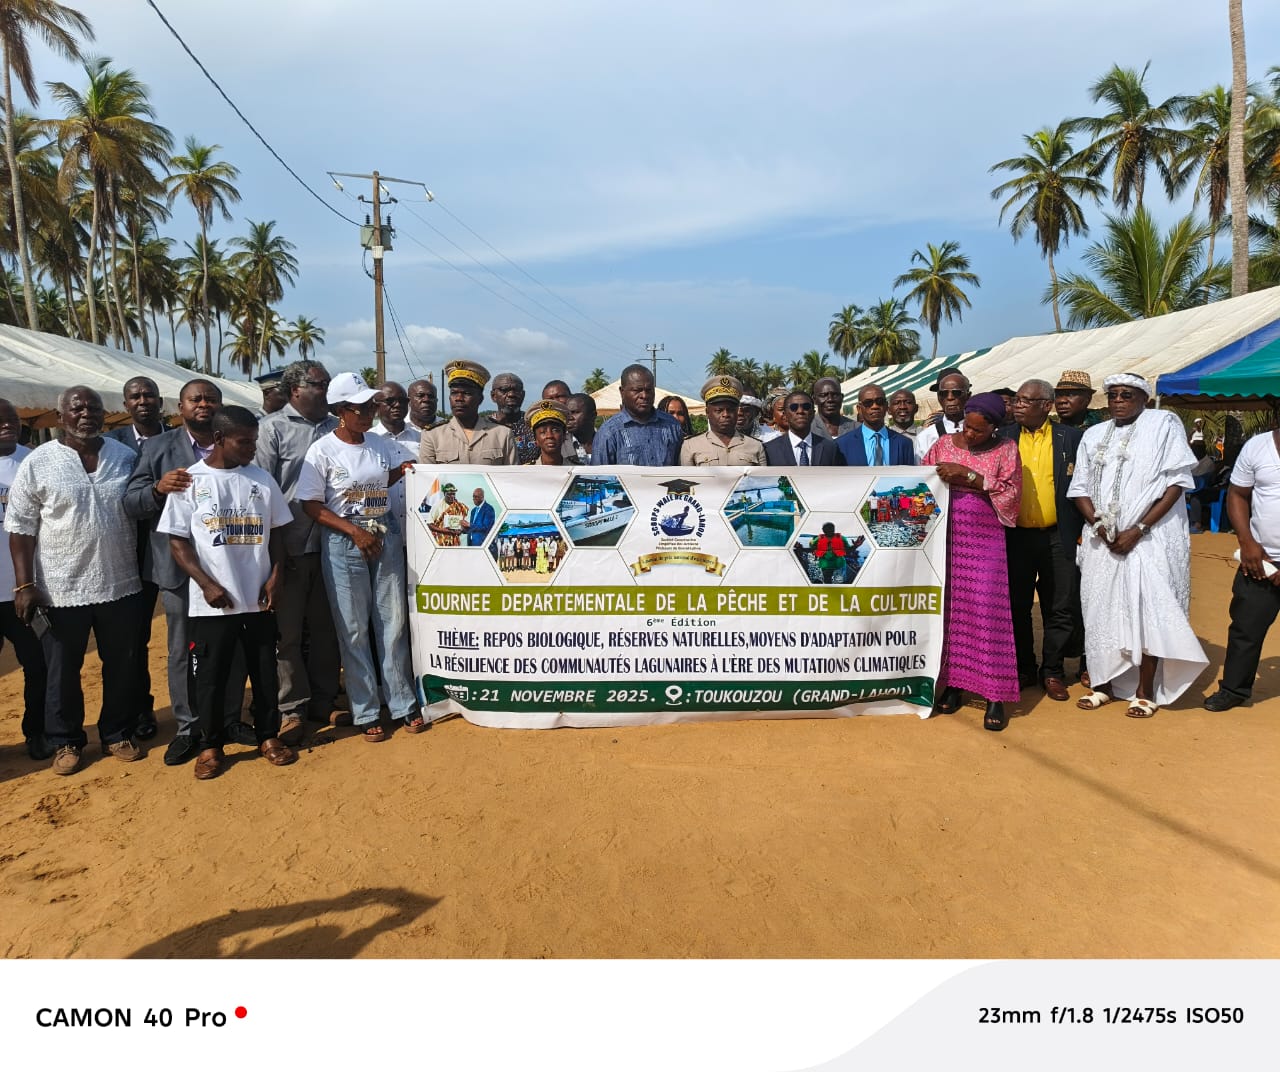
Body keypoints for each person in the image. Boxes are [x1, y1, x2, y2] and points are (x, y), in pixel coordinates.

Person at [4, 386, 145, 775]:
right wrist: (24, 584)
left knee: (122, 665)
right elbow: (20, 527)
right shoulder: (39, 461)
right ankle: (65, 740)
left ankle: (117, 732)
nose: (86, 414)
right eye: (77, 408)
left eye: (94, 408)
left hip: (121, 583)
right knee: (62, 671)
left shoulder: (124, 457)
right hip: (60, 588)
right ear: (60, 416)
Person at [157, 406, 298, 779]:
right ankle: (211, 745)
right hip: (213, 604)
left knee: (264, 672)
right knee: (210, 678)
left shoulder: (262, 480)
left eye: (254, 441)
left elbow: (278, 533)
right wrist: (206, 584)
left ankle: (268, 735)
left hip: (258, 601)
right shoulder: (191, 481)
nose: (252, 448)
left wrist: (276, 577)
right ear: (219, 439)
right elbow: (177, 542)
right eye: (244, 441)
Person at [124, 379, 252, 766]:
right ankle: (189, 727)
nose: (203, 404)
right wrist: (158, 489)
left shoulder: (236, 446)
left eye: (211, 399)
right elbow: (131, 503)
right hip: (178, 570)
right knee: (183, 651)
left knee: (232, 647)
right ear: (179, 407)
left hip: (231, 567)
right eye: (195, 399)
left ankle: (229, 719)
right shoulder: (157, 448)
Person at [1067, 373, 1207, 717]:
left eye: (1126, 395)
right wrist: (1099, 525)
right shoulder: (1094, 434)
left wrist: (1139, 528)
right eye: (1112, 395)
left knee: (1148, 610)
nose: (1118, 400)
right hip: (1103, 542)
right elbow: (1079, 487)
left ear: (1143, 399)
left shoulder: (1163, 424)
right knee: (1100, 610)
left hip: (1151, 539)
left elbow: (1176, 483)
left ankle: (1145, 691)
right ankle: (1103, 684)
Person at [296, 372, 425, 742]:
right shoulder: (322, 450)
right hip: (344, 539)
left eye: (371, 406)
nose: (370, 413)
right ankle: (366, 710)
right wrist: (354, 532)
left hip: (384, 531)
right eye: (361, 408)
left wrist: (402, 473)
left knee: (392, 622)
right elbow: (311, 504)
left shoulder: (378, 443)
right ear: (341, 411)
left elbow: (378, 483)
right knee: (353, 629)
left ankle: (402, 703)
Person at [254, 359, 344, 743]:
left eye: (327, 383)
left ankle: (325, 700)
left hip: (332, 546)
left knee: (326, 630)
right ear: (296, 390)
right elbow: (261, 491)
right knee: (287, 634)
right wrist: (273, 553)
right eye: (319, 384)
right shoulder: (271, 429)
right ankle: (291, 707)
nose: (326, 390)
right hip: (289, 547)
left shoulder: (338, 427)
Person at [924, 392, 1023, 731]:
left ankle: (995, 695)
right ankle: (953, 685)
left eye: (978, 430)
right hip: (945, 539)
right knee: (951, 612)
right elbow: (921, 482)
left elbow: (1011, 492)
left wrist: (969, 476)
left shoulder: (1006, 449)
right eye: (967, 427)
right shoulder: (942, 445)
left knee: (987, 613)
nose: (969, 434)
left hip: (985, 542)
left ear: (994, 427)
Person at [1003, 379, 1085, 701]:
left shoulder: (1071, 438)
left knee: (1059, 607)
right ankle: (1025, 666)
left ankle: (1052, 671)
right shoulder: (1004, 438)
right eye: (1017, 400)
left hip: (1058, 536)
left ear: (1046, 405)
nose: (1018, 405)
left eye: (1026, 400)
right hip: (1016, 538)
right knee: (1017, 606)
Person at [1205, 427, 1280, 710]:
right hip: (1260, 560)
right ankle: (1234, 690)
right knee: (1246, 628)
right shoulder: (1257, 447)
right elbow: (1237, 494)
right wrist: (1247, 542)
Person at [108, 375, 165, 740]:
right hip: (130, 555)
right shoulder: (112, 444)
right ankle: (142, 709)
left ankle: (197, 706)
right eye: (135, 396)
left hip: (178, 551)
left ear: (160, 401)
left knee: (192, 635)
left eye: (149, 395)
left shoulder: (180, 438)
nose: (143, 401)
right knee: (135, 639)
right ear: (125, 404)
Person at [0, 398, 50, 760]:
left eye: (13, 419)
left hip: (24, 588)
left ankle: (37, 731)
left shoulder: (34, 461)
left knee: (38, 665)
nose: (8, 425)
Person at [419, 361, 518, 465]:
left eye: (467, 393)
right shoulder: (432, 435)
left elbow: (512, 474)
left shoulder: (502, 434)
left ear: (480, 399)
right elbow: (426, 474)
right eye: (454, 393)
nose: (459, 398)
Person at [591, 365, 685, 467]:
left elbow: (681, 468)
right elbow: (599, 474)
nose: (644, 396)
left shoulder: (672, 425)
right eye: (637, 390)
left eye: (649, 390)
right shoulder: (609, 432)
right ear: (622, 392)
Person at [680, 377, 765, 466]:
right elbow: (686, 474)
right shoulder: (690, 445)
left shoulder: (756, 446)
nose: (726, 414)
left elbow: (763, 475)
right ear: (707, 412)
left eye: (731, 410)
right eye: (719, 410)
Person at [836, 383, 914, 466]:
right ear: (859, 409)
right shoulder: (842, 444)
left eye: (880, 402)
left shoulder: (904, 443)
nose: (875, 406)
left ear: (886, 406)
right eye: (868, 403)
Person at [764, 391, 845, 467]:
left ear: (813, 413)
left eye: (806, 407)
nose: (800, 411)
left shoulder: (830, 448)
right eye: (793, 407)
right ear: (785, 414)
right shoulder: (769, 450)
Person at [915, 369, 969, 461]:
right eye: (943, 393)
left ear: (968, 395)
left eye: (956, 392)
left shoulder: (983, 432)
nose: (950, 397)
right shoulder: (926, 436)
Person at [490, 372, 538, 463]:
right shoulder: (484, 427)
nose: (511, 394)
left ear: (523, 395)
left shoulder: (534, 424)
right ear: (493, 396)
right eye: (504, 390)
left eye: (517, 390)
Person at [525, 400, 573, 466]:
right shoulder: (527, 471)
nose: (549, 436)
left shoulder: (578, 470)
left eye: (555, 430)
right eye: (543, 432)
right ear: (536, 439)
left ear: (564, 435)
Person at [566, 393, 597, 463]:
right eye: (567, 413)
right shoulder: (560, 444)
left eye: (575, 412)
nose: (569, 418)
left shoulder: (606, 441)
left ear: (593, 415)